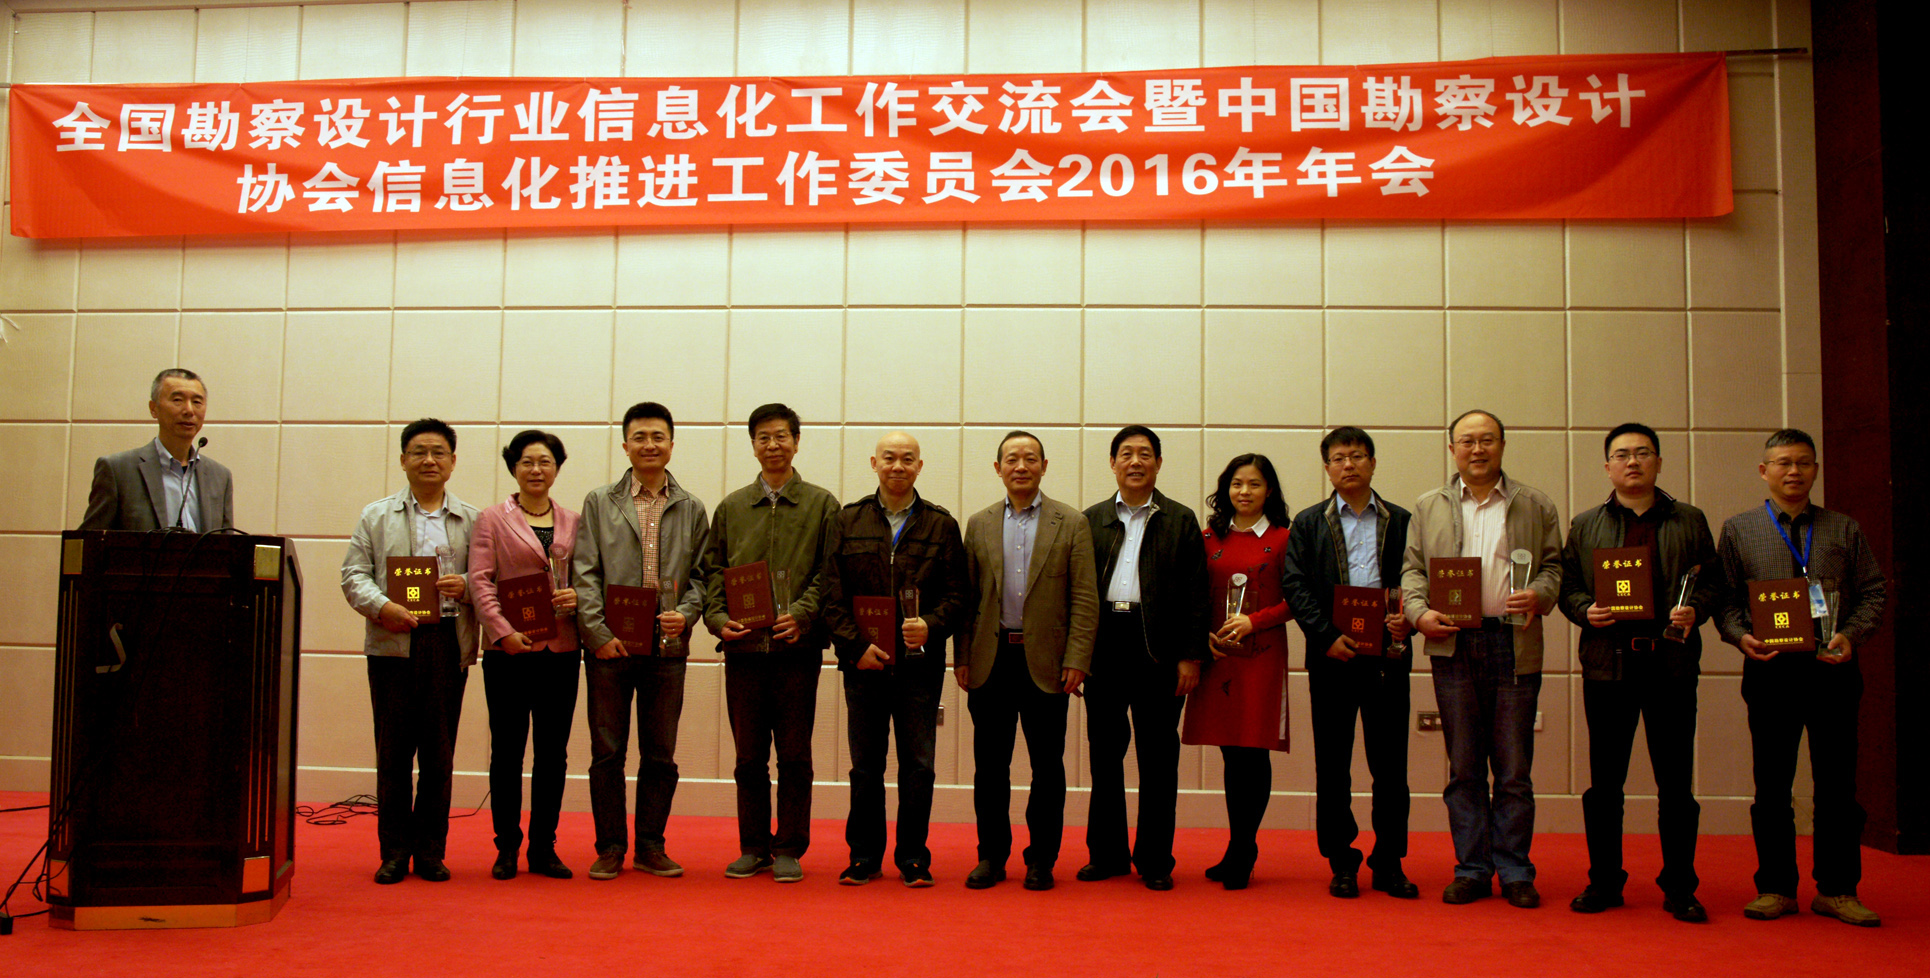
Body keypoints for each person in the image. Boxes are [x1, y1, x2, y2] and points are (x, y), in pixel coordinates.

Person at [1716, 428, 1887, 926]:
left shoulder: (1843, 529)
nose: (1794, 471)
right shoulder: (1740, 529)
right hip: (1771, 672)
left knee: (1838, 786)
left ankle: (1838, 889)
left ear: (1815, 469)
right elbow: (1724, 599)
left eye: (1804, 462)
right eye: (1784, 463)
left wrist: (1851, 635)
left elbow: (1874, 591)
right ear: (1764, 471)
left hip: (1833, 670)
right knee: (1772, 786)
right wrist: (1740, 637)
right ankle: (1775, 887)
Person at [1559, 423, 1721, 922]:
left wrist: (1696, 610)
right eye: (1622, 454)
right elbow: (1568, 586)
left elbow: (1713, 582)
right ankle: (1604, 881)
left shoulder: (1690, 519)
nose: (1633, 462)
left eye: (1643, 453)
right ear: (1608, 466)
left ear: (1658, 463)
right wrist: (1585, 610)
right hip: (1608, 667)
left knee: (1676, 785)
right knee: (1605, 785)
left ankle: (1680, 886)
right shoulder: (1586, 524)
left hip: (1671, 666)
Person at [1401, 409, 1561, 908]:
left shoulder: (1534, 504)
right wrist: (1419, 614)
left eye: (1487, 440)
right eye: (1467, 441)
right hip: (1453, 645)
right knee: (1464, 767)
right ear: (1452, 449)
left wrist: (1539, 594)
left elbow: (1555, 567)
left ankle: (1515, 871)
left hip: (1514, 643)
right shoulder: (1428, 505)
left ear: (1502, 446)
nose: (1477, 449)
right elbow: (1412, 572)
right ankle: (1471, 868)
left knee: (1513, 770)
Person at [820, 432, 971, 887]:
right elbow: (831, 596)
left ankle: (913, 858)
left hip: (919, 668)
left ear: (919, 466)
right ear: (875, 463)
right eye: (890, 458)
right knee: (865, 767)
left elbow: (958, 596)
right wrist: (854, 648)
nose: (898, 466)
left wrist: (931, 625)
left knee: (918, 767)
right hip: (863, 666)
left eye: (908, 459)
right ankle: (864, 857)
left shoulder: (941, 525)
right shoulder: (847, 520)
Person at [697, 403, 839, 883]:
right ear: (753, 445)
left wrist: (803, 614)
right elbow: (713, 571)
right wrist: (718, 619)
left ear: (796, 441)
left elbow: (829, 572)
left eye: (781, 436)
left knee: (795, 756)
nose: (773, 445)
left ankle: (789, 848)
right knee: (748, 758)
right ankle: (753, 846)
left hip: (797, 651)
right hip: (744, 652)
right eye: (763, 437)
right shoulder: (732, 507)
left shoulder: (821, 505)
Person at [573, 402, 709, 881]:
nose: (649, 445)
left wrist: (686, 614)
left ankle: (651, 845)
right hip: (610, 645)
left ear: (671, 443)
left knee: (660, 752)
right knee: (607, 751)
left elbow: (702, 577)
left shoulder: (691, 506)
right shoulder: (599, 502)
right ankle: (610, 846)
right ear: (625, 444)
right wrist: (597, 633)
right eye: (640, 437)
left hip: (667, 646)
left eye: (658, 436)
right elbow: (584, 572)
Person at [1282, 427, 1419, 900]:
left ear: (1373, 463)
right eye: (1339, 458)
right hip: (1332, 658)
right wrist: (1325, 636)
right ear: (1327, 468)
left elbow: (1417, 580)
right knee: (1333, 767)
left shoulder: (1402, 520)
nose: (1349, 465)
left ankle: (1390, 862)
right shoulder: (1308, 523)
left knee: (1391, 768)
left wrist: (1409, 620)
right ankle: (1341, 861)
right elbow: (1295, 585)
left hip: (1388, 658)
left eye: (1358, 456)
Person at [340, 418, 478, 884]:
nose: (429, 460)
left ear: (453, 462)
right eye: (419, 452)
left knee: (439, 755)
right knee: (393, 753)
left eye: (439, 452)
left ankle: (431, 852)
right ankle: (395, 852)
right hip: (392, 642)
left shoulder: (473, 520)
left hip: (448, 642)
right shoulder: (376, 516)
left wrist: (466, 586)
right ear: (403, 460)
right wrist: (383, 607)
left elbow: (490, 580)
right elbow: (353, 575)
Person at [959, 431, 1098, 892]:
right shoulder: (978, 523)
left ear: (1044, 466)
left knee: (1048, 768)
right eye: (1012, 459)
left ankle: (1042, 859)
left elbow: (1084, 599)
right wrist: (962, 656)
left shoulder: (1071, 522)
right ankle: (990, 857)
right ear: (997, 468)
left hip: (1047, 663)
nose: (1021, 466)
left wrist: (1077, 658)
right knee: (990, 768)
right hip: (991, 659)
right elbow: (968, 598)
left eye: (1030, 458)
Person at [1080, 425, 1210, 891]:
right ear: (1112, 463)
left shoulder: (1180, 519)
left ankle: (1155, 859)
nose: (1135, 462)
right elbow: (1075, 593)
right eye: (1126, 454)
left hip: (1159, 647)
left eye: (1145, 454)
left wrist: (1191, 656)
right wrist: (1075, 655)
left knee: (1158, 758)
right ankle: (1107, 854)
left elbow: (1197, 593)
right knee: (1104, 755)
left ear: (1158, 463)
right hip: (1104, 645)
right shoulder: (1091, 519)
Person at [467, 430, 582, 882]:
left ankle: (544, 847)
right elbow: (480, 581)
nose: (537, 469)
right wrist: (502, 633)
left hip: (561, 649)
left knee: (553, 754)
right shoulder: (491, 519)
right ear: (514, 468)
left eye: (545, 461)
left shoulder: (575, 520)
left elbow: (587, 576)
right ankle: (507, 847)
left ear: (557, 468)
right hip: (510, 653)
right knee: (507, 752)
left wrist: (577, 596)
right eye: (527, 462)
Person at [1182, 453, 1292, 890]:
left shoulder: (1283, 537)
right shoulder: (1209, 537)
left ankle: (1245, 848)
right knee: (1231, 751)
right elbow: (1192, 593)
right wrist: (1200, 637)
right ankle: (1236, 847)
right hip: (1218, 656)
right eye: (1236, 484)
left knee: (1253, 751)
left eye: (1254, 484)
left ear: (1270, 491)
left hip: (1261, 656)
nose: (1244, 492)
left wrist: (1254, 621)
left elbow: (1299, 598)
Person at [80, 367, 234, 532]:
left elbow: (228, 543)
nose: (189, 410)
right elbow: (89, 540)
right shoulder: (118, 471)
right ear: (154, 408)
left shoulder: (219, 477)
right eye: (177, 400)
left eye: (197, 402)